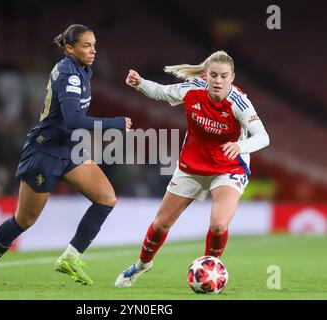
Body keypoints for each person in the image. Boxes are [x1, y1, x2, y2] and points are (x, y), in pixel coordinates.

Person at [0, 24, 132, 290]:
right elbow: (72, 120)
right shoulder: (70, 73)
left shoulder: (82, 70)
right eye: (86, 45)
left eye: (94, 45)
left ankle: (71, 257)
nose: (93, 51)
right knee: (25, 220)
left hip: (67, 149)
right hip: (45, 151)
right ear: (69, 48)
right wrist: (114, 124)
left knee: (106, 198)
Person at [115, 50, 269, 287]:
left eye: (224, 76)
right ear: (206, 75)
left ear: (232, 78)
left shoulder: (239, 102)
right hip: (192, 166)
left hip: (228, 168)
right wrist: (140, 83)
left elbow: (263, 137)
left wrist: (240, 145)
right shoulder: (192, 89)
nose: (218, 80)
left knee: (219, 224)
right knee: (160, 224)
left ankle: (210, 271)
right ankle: (141, 266)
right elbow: (162, 92)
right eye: (214, 75)